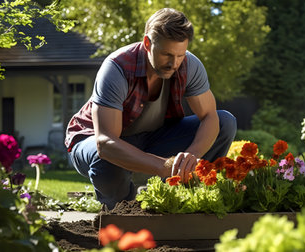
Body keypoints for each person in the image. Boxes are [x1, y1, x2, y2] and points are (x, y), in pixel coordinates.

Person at [64, 8, 237, 209]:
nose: (174, 63)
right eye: (166, 54)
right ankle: (123, 209)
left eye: (180, 55)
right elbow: (106, 143)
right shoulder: (116, 68)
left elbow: (209, 117)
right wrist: (163, 167)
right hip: (92, 141)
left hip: (152, 137)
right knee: (108, 158)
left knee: (225, 121)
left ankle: (187, 198)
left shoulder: (189, 65)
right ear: (147, 43)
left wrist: (191, 157)